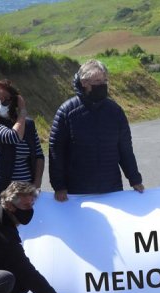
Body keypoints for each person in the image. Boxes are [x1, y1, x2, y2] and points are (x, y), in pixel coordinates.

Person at [49, 59, 144, 202]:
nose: (103, 85)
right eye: (98, 81)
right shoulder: (67, 112)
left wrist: (135, 179)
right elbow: (56, 152)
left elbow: (125, 149)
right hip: (77, 189)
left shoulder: (115, 111)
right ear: (84, 82)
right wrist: (59, 186)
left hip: (112, 187)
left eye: (105, 80)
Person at [0, 80, 44, 204]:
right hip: (0, 195)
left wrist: (37, 184)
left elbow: (38, 155)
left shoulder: (28, 125)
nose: (1, 104)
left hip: (26, 194)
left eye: (6, 99)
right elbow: (13, 137)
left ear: (15, 101)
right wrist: (22, 111)